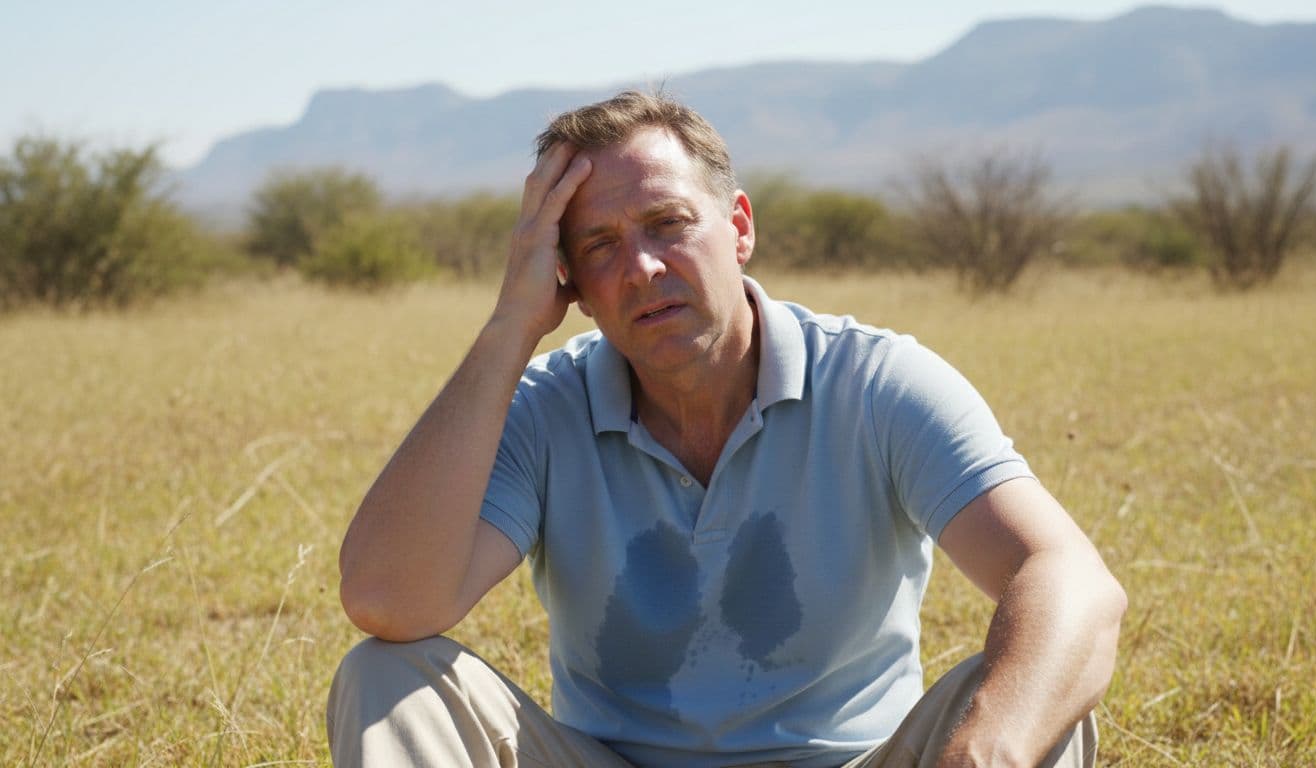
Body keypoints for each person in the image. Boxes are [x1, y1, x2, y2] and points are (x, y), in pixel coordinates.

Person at [328, 90, 1127, 768]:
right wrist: (508, 328)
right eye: (600, 245)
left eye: (668, 223)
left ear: (738, 226)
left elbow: (1074, 580)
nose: (640, 268)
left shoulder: (875, 382)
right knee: (389, 678)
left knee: (1034, 691)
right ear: (567, 278)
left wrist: (987, 751)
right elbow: (389, 601)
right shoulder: (545, 406)